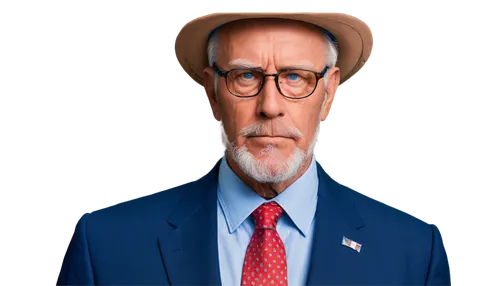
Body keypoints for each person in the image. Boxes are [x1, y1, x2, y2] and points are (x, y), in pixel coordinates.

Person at [56, 10, 453, 286]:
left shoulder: (414, 252)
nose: (270, 105)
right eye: (246, 76)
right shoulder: (106, 245)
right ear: (211, 91)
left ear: (330, 92)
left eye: (295, 77)